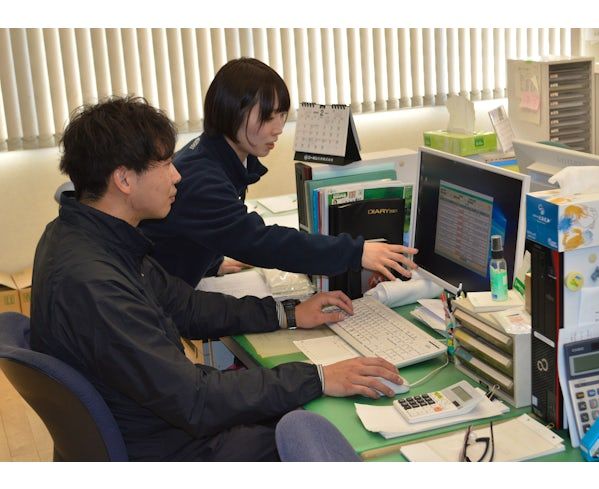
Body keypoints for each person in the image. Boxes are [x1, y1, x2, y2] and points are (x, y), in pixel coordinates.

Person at [29, 96, 403, 461]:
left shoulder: (87, 237)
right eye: (165, 164)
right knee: (330, 433)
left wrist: (288, 313)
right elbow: (197, 400)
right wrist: (319, 377)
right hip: (168, 448)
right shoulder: (96, 285)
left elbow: (186, 306)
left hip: (154, 423)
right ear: (124, 179)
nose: (177, 175)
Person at [139, 57, 418, 287]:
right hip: (156, 300)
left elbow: (200, 227)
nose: (278, 128)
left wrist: (211, 262)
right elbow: (260, 241)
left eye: (282, 115)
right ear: (231, 112)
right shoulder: (202, 177)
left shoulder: (215, 154)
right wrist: (356, 252)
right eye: (267, 117)